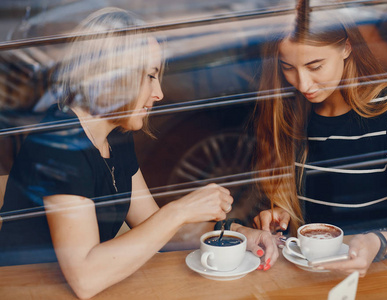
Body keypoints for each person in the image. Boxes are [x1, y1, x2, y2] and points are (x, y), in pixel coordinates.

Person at [0, 8, 277, 299]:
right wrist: (179, 210)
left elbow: (154, 228)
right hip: (24, 289)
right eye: (150, 76)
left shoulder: (115, 136)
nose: (158, 93)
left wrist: (242, 234)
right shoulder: (58, 143)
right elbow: (86, 278)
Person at [253, 0, 387, 276]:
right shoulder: (290, 112)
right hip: (309, 273)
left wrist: (375, 243)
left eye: (315, 66)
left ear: (346, 47)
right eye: (288, 67)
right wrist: (279, 217)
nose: (303, 84)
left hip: (379, 273)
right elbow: (302, 211)